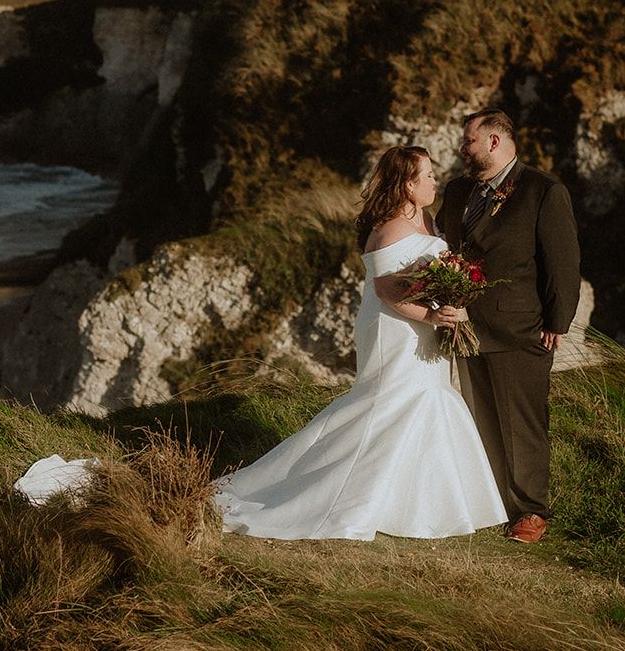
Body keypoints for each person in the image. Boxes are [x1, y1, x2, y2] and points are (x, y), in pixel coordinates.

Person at [212, 145, 507, 540]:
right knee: (385, 405)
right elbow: (386, 290)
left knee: (423, 401)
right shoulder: (388, 229)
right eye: (429, 175)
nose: (436, 181)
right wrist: (433, 315)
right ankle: (323, 494)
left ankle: (418, 504)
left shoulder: (426, 218)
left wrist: (450, 304)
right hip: (393, 328)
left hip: (423, 327)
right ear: (408, 185)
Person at [438, 109, 581, 545]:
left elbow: (562, 262)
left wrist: (559, 320)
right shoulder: (458, 189)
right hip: (463, 327)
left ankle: (530, 512)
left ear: (494, 142)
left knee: (522, 424)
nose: (462, 149)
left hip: (523, 329)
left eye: (468, 141)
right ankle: (493, 502)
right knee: (482, 419)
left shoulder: (543, 191)